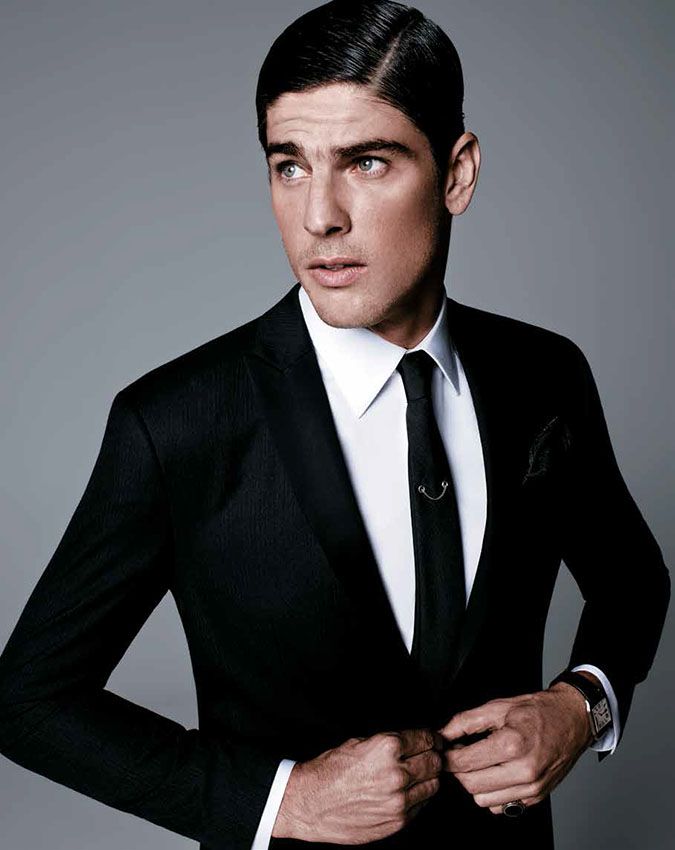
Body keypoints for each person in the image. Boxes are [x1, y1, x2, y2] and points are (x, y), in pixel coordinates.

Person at [0, 2, 669, 848]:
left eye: (365, 161)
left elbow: (631, 581)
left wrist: (581, 705)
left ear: (456, 174)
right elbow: (26, 701)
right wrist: (284, 801)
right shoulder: (176, 422)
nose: (319, 215)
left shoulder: (543, 375)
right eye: (289, 166)